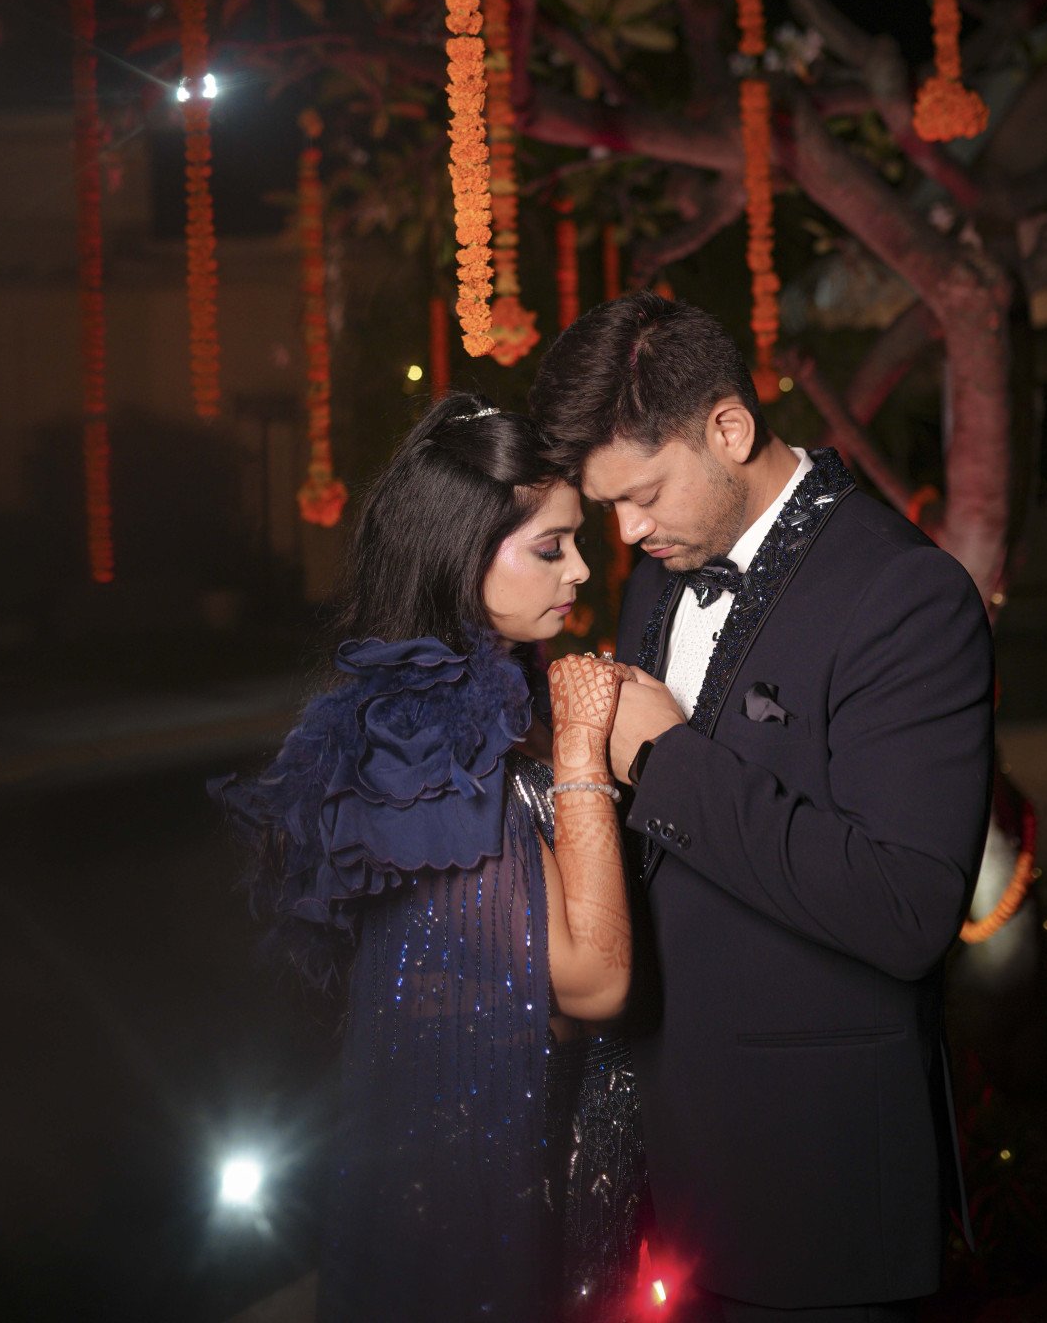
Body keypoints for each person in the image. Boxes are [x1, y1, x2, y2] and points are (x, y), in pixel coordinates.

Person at [530, 294, 995, 1323]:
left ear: (730, 429)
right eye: (609, 507)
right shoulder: (658, 577)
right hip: (659, 1171)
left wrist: (665, 760)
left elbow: (908, 909)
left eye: (642, 495)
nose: (627, 531)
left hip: (814, 1185)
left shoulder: (907, 596)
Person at [211, 395, 647, 1322]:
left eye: (576, 540)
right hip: (494, 1172)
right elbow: (595, 982)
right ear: (460, 554)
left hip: (556, 1143)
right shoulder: (427, 733)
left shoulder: (492, 694)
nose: (581, 567)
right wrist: (581, 752)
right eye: (550, 547)